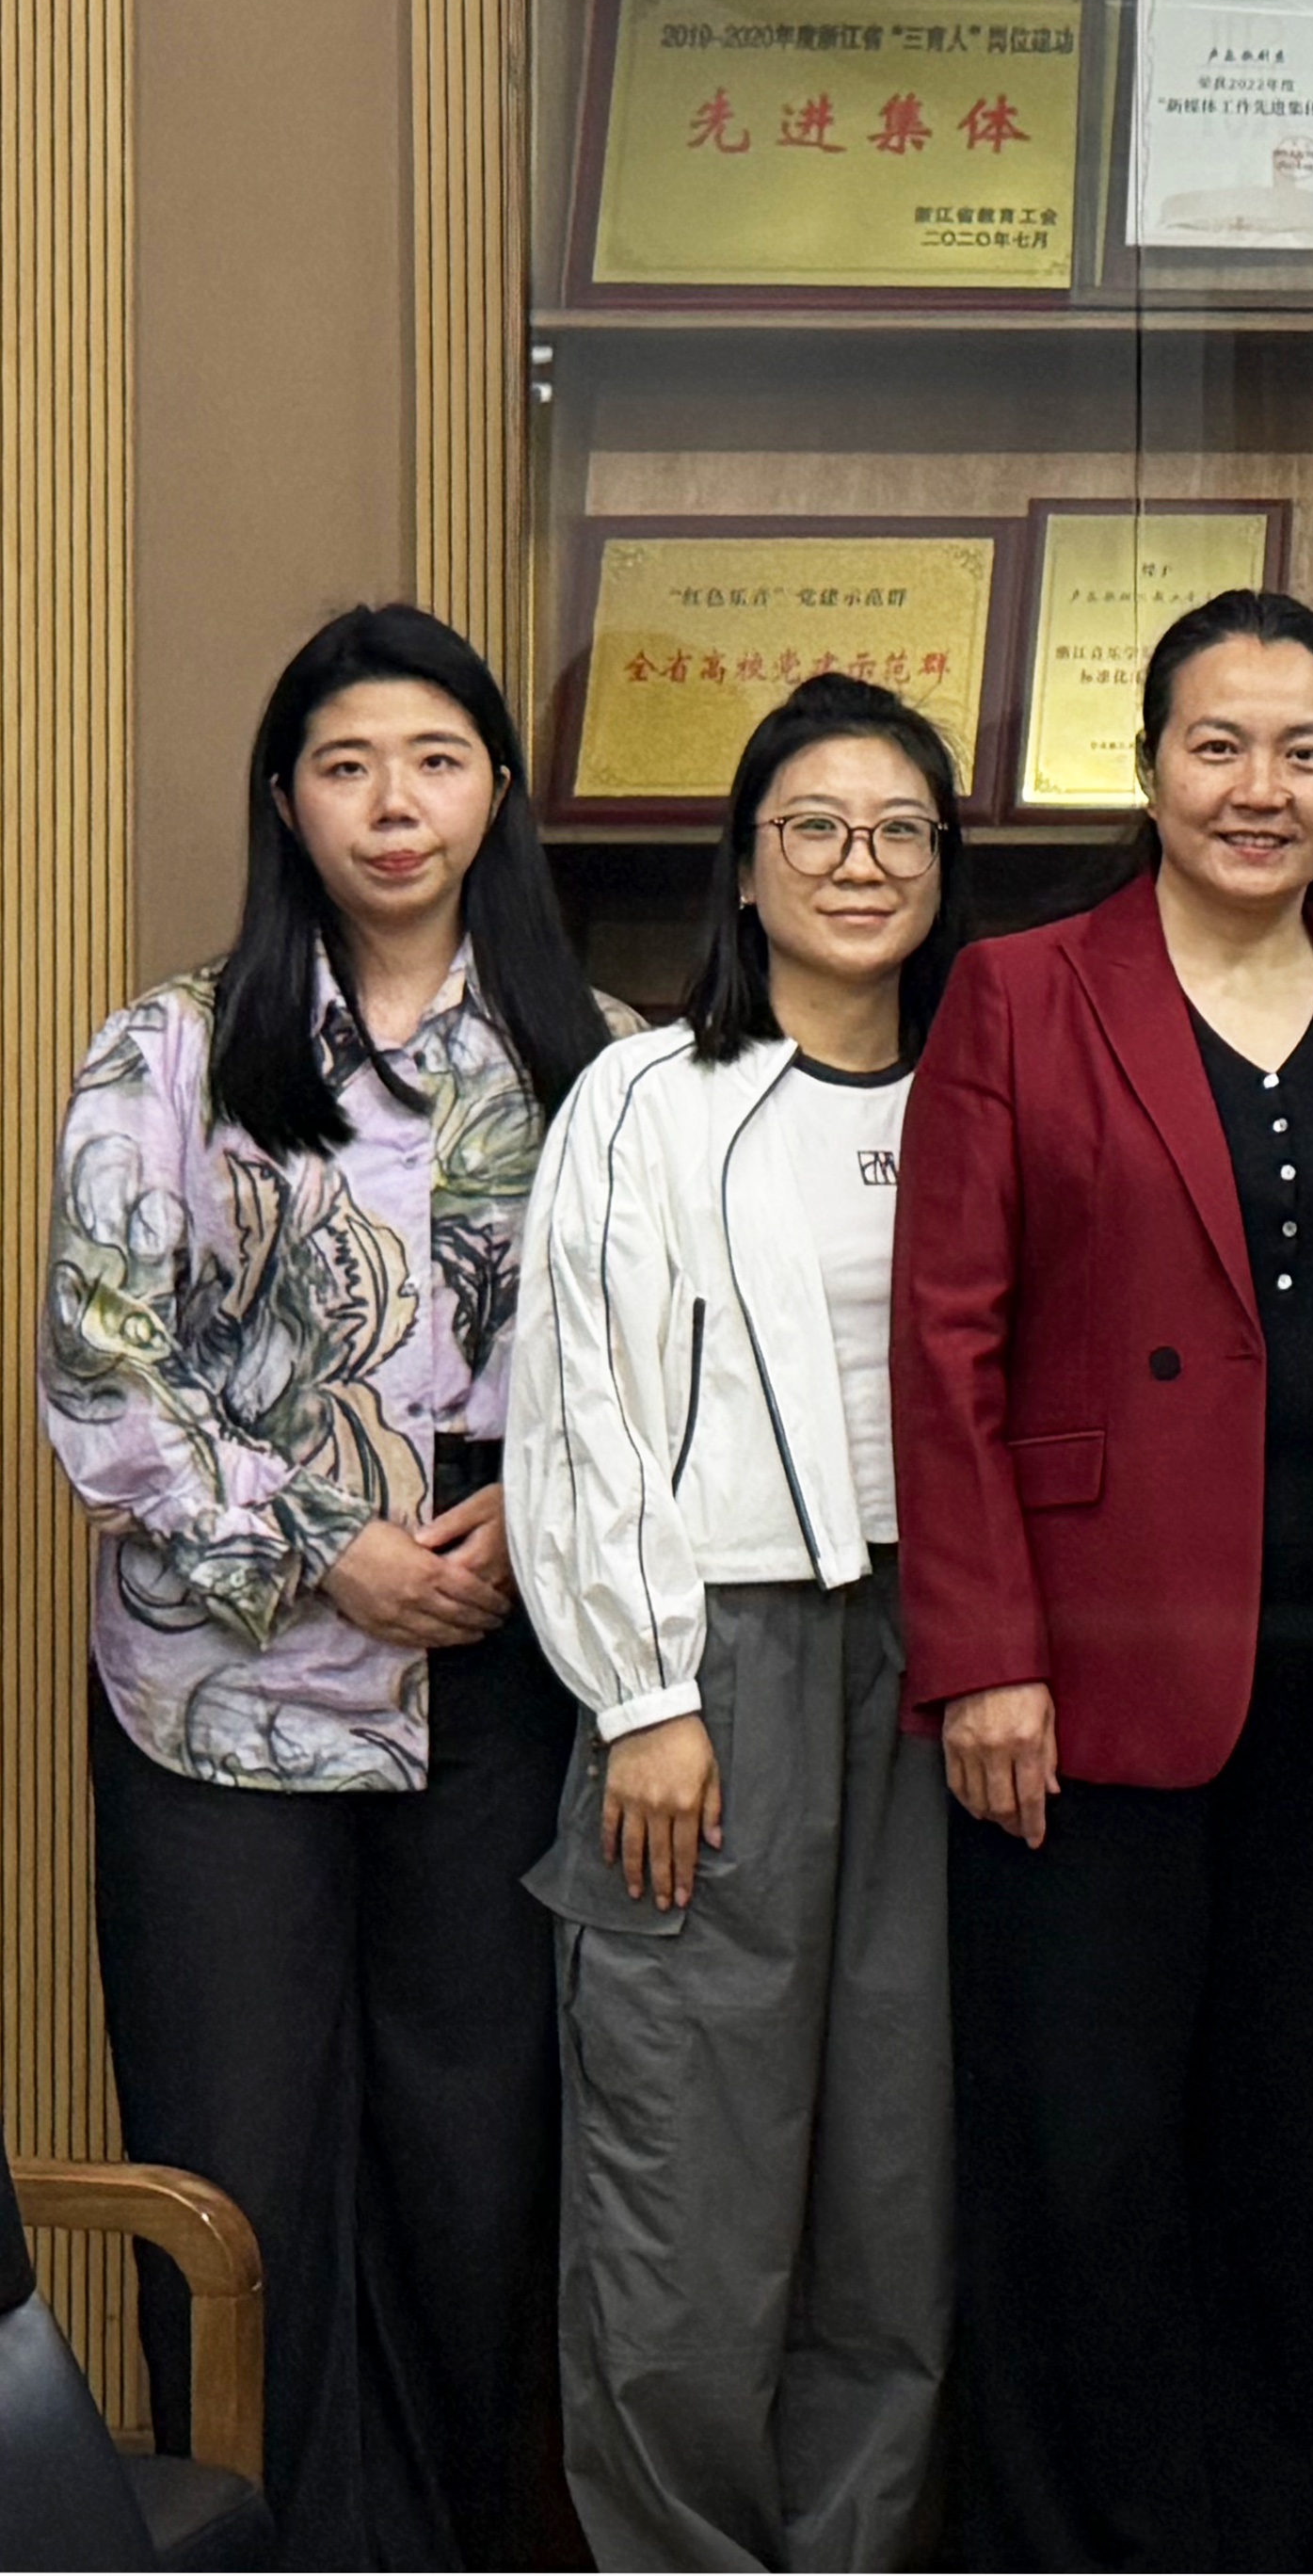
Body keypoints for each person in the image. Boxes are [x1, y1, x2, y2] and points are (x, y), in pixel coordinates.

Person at [42, 602, 620, 2565]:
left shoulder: (599, 1057)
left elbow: (662, 1364)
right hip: (226, 1690)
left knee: (477, 2164)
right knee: (241, 2166)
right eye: (348, 766)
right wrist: (322, 1543)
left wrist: (533, 1520)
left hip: (504, 1655)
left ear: (496, 794)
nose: (394, 805)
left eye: (436, 763)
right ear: (285, 800)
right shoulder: (173, 1046)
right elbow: (103, 1370)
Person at [894, 592, 1313, 2568]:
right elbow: (945, 1344)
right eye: (1218, 745)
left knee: (1303, 2177)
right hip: (1079, 1687)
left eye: (1306, 750)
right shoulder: (1020, 993)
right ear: (1145, 769)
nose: (1259, 787)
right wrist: (983, 1657)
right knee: (1084, 2172)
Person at [510, 672, 965, 2568]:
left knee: (888, 2188)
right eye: (815, 829)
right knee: (688, 2191)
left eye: (901, 829)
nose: (860, 863)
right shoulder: (648, 1095)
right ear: (749, 866)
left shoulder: (984, 1084)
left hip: (939, 1666)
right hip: (717, 1668)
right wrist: (645, 1692)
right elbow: (579, 1404)